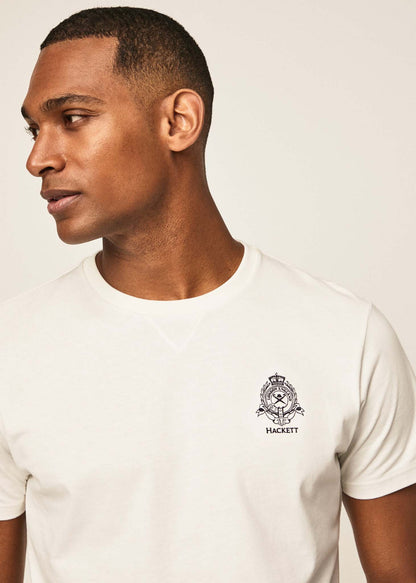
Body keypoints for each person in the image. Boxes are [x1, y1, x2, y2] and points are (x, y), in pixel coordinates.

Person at [0, 6, 415, 583]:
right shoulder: (12, 348)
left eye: (72, 118)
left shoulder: (349, 337)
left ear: (179, 122)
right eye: (34, 129)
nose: (37, 159)